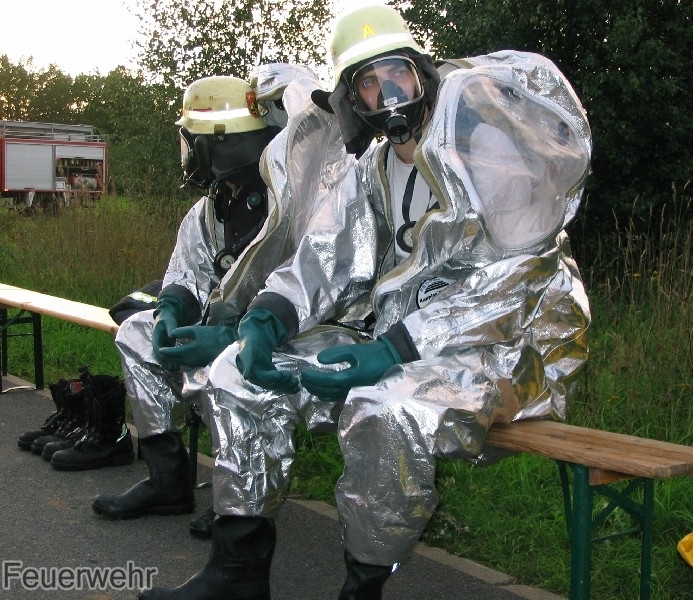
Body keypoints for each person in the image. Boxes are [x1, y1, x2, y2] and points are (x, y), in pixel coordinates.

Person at [138, 3, 592, 599]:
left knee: (385, 408)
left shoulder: (486, 155)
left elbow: (515, 282)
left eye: (396, 73)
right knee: (236, 375)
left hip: (511, 348)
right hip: (400, 338)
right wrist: (266, 319)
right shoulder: (375, 167)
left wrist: (395, 349)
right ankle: (237, 574)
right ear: (352, 99)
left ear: (421, 72)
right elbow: (325, 255)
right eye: (369, 83)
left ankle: (363, 588)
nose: (388, 94)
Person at [90, 68, 322, 530]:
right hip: (229, 328)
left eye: (191, 140)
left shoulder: (293, 206)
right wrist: (170, 311)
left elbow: (309, 296)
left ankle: (237, 505)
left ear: (212, 146)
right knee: (136, 332)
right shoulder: (214, 207)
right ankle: (168, 480)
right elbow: (187, 271)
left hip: (285, 336)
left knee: (227, 369)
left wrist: (227, 337)